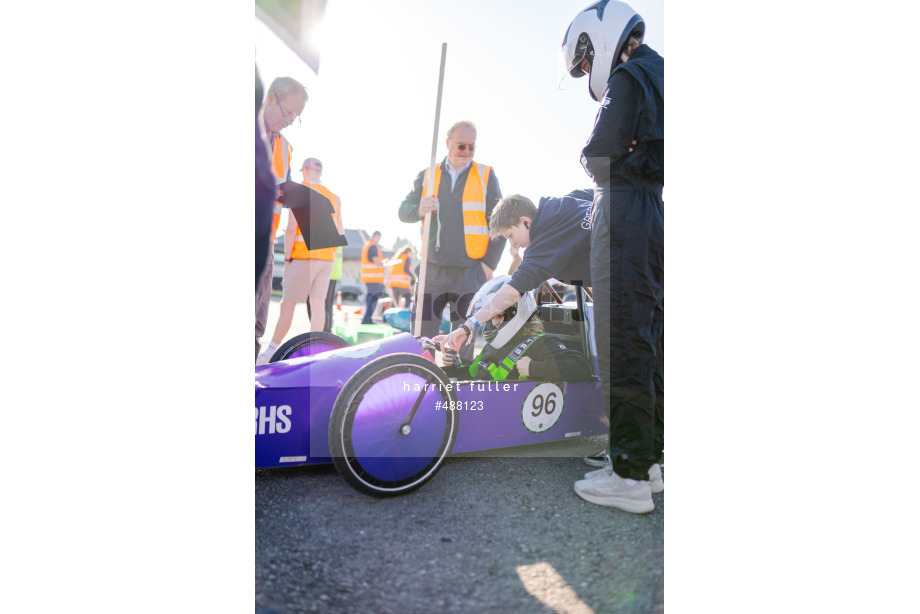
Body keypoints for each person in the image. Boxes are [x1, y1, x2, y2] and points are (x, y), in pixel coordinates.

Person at [560, 0, 664, 513]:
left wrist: (591, 159)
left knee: (622, 337)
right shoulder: (661, 70)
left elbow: (597, 153)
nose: (584, 71)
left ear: (598, 39)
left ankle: (627, 477)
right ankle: (646, 461)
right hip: (651, 211)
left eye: (583, 60)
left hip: (623, 209)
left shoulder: (627, 76)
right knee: (647, 338)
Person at [398, 120, 506, 362]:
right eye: (461, 146)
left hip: (469, 273)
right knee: (420, 338)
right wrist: (419, 209)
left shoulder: (486, 175)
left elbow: (501, 221)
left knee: (463, 342)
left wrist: (489, 264)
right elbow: (403, 211)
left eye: (471, 147)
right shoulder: (427, 174)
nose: (467, 152)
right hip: (431, 271)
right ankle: (418, 384)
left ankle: (458, 390)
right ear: (448, 143)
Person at [441, 190, 594, 355]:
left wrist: (467, 326)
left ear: (525, 222)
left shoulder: (543, 244)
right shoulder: (564, 202)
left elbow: (512, 290)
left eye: (510, 235)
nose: (513, 243)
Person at [257, 157, 342, 364]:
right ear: (319, 172)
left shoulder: (300, 190)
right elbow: (339, 231)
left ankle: (269, 352)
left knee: (288, 305)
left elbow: (292, 229)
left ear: (304, 170)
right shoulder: (335, 197)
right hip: (327, 258)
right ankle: (316, 352)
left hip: (303, 256)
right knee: (318, 303)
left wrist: (287, 259)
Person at [435, 277, 592, 383]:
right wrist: (456, 367)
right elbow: (480, 375)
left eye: (499, 316)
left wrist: (534, 368)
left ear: (518, 313)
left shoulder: (541, 344)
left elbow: (581, 368)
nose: (494, 323)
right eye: (490, 318)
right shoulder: (494, 345)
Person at [256, 76, 308, 363]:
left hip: (263, 245)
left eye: (295, 117)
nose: (289, 120)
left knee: (255, 325)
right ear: (271, 98)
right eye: (287, 112)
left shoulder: (286, 147)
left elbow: (281, 188)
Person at [360, 231, 385, 325]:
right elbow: (376, 260)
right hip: (373, 278)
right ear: (377, 236)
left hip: (368, 277)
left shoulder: (367, 245)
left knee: (370, 298)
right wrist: (384, 264)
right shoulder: (373, 246)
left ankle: (367, 318)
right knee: (373, 298)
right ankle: (367, 318)